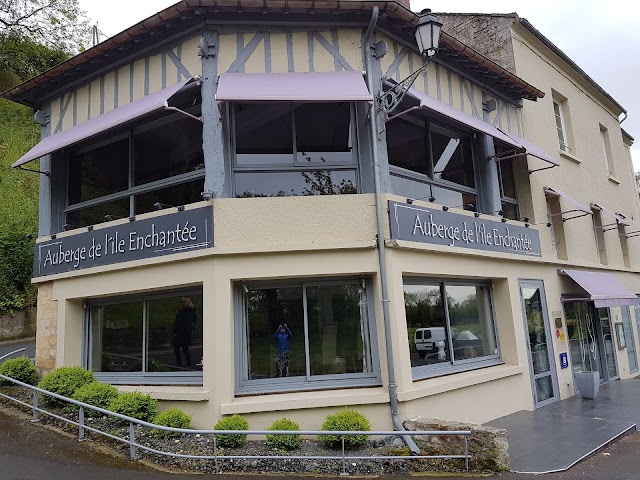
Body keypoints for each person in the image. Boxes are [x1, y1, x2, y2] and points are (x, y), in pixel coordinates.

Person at [173, 297, 196, 367]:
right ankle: (179, 363)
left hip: (185, 333)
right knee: (176, 349)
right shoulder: (180, 311)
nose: (181, 304)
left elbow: (191, 323)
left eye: (183, 302)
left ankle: (188, 364)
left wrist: (187, 330)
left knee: (184, 349)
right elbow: (176, 322)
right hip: (179, 333)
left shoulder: (190, 312)